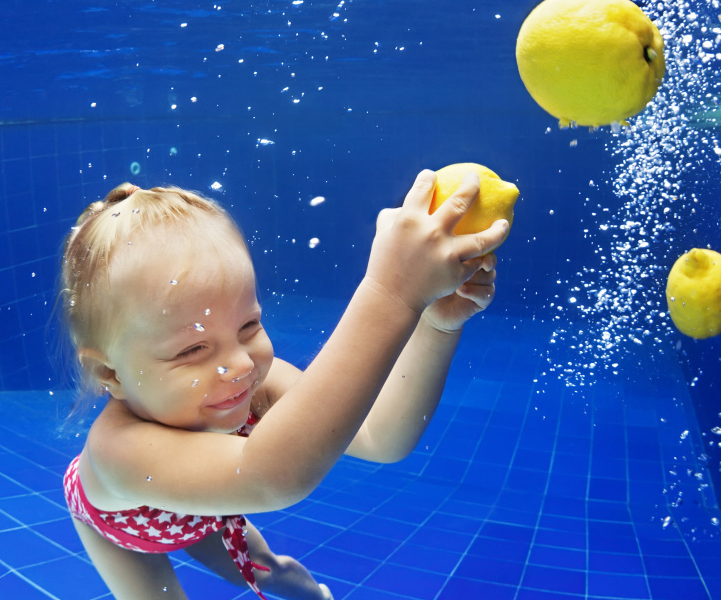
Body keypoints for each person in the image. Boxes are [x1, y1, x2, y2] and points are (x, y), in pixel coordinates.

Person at [59, 170, 510, 599]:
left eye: (249, 325)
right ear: (109, 374)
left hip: (205, 510)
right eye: (192, 350)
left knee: (269, 570)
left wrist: (434, 323)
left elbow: (379, 438)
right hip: (124, 535)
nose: (237, 364)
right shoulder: (118, 451)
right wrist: (392, 294)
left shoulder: (249, 382)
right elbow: (270, 477)